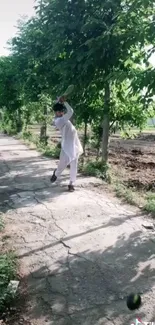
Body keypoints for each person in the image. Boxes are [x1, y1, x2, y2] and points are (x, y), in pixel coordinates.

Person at [51, 96, 83, 192]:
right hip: (66, 147)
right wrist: (64, 102)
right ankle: (56, 174)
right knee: (62, 164)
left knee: (74, 164)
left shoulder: (62, 118)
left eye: (62, 111)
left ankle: (71, 183)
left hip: (74, 145)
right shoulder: (60, 120)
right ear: (56, 113)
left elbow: (68, 112)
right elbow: (71, 111)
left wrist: (59, 102)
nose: (61, 112)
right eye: (59, 111)